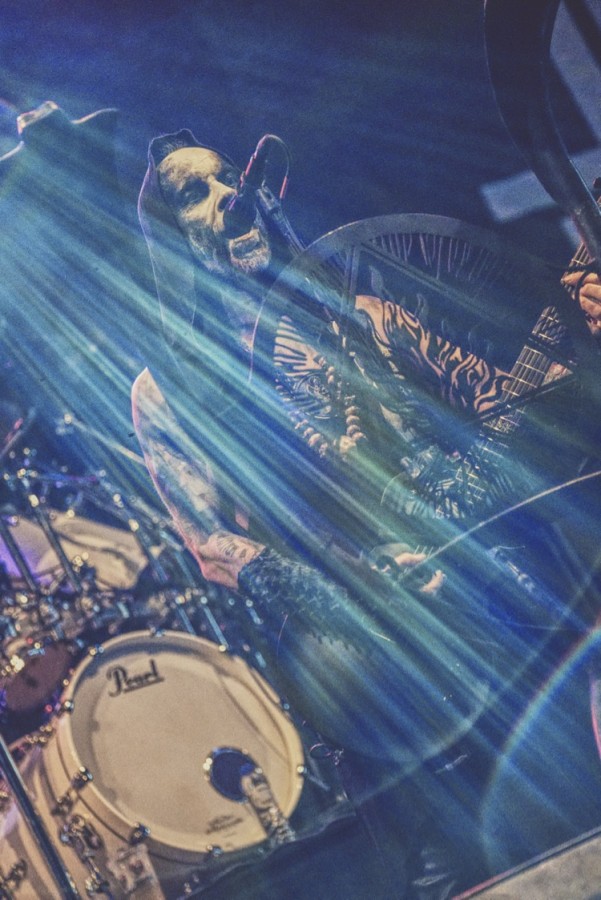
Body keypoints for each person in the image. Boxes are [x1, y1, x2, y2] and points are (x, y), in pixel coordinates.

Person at [131, 129, 595, 896]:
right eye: (194, 193)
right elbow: (209, 543)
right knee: (467, 872)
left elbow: (500, 403)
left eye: (227, 178)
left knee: (576, 821)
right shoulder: (167, 393)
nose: (226, 196)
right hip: (380, 680)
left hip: (494, 609)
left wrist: (570, 333)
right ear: (166, 236)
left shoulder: (362, 315)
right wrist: (348, 595)